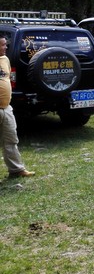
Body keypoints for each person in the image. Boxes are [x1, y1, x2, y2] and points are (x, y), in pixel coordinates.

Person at [0, 37, 34, 178]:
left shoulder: (5, 60)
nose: (6, 47)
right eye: (2, 45)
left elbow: (6, 79)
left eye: (5, 44)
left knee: (11, 140)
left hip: (6, 108)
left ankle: (16, 170)